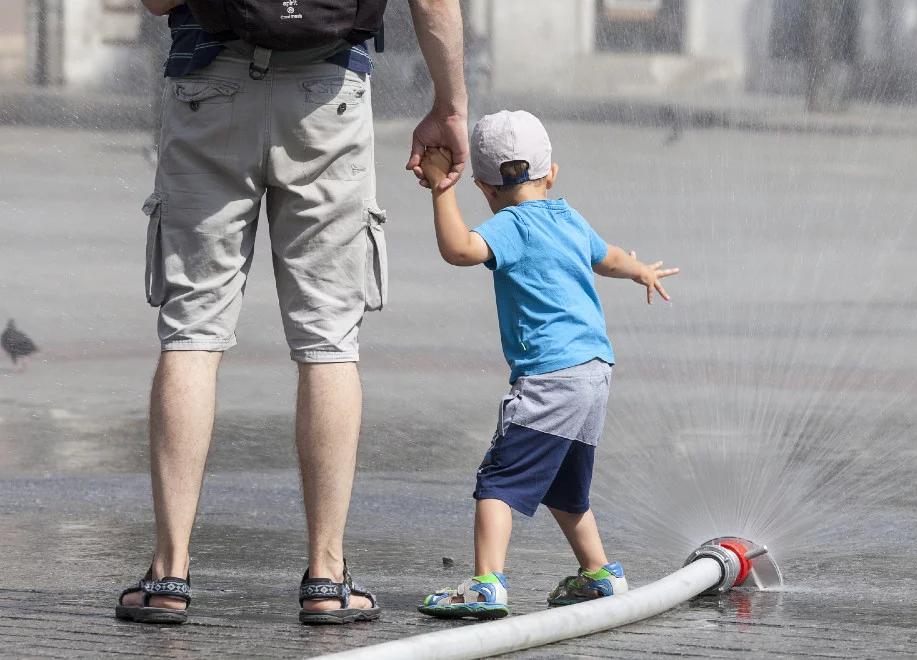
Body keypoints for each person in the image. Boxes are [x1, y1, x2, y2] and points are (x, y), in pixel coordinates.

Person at [116, 0, 468, 625]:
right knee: (330, 340)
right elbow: (433, 3)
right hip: (326, 89)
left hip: (207, 82)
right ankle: (326, 578)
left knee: (192, 333)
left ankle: (169, 574)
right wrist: (450, 105)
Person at [413, 111, 679, 619]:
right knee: (565, 487)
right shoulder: (568, 217)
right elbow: (610, 258)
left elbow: (459, 249)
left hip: (551, 377)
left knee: (497, 481)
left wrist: (439, 190)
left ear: (484, 188)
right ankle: (599, 575)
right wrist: (641, 270)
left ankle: (486, 584)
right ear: (551, 173)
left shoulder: (509, 226)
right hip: (595, 371)